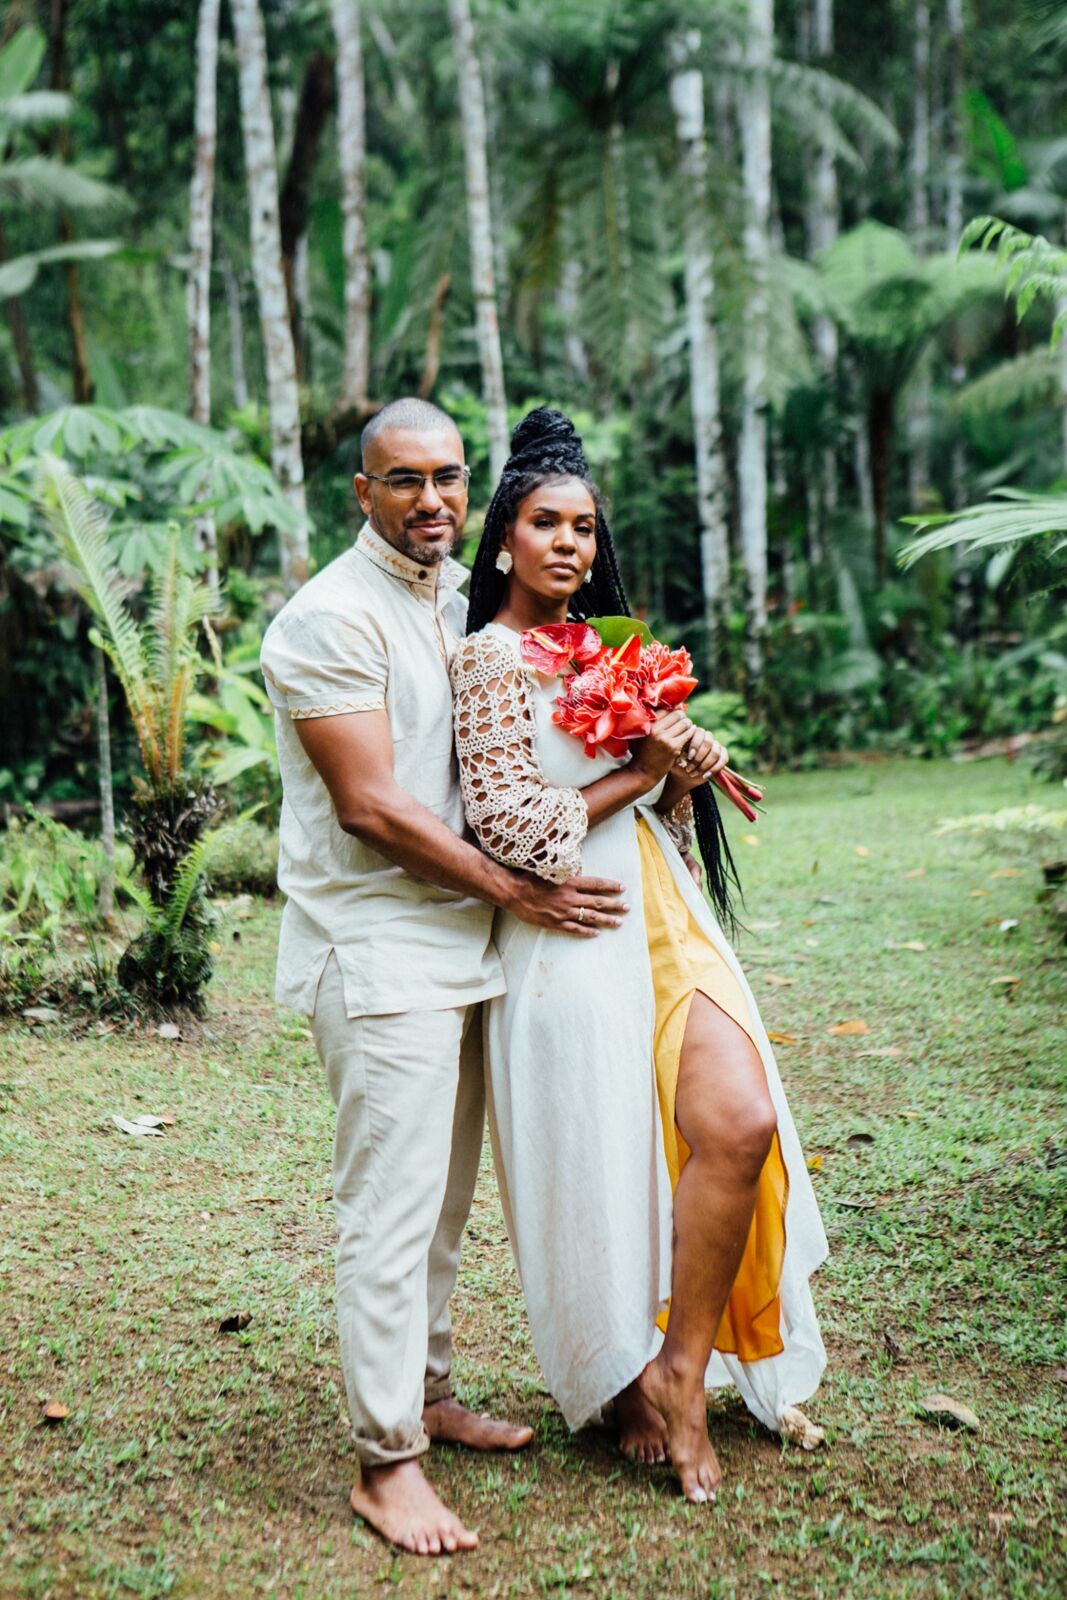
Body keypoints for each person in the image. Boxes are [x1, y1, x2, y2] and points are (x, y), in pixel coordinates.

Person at [259, 398, 632, 1556]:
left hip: (463, 942)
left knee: (440, 1207)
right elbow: (370, 807)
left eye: (448, 477)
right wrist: (516, 889)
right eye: (404, 479)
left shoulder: (458, 602)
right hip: (377, 950)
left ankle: (425, 1393)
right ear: (362, 492)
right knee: (388, 1210)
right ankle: (387, 1462)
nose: (432, 499)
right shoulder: (327, 618)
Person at [451, 407, 829, 1504]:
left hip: (663, 911)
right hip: (570, 931)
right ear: (504, 539)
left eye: (582, 527)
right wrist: (639, 770)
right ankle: (628, 1377)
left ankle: (680, 1365)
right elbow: (511, 827)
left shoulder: (607, 646)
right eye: (544, 523)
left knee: (739, 1122)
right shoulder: (485, 659)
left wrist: (680, 772)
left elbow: (647, 802)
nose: (567, 543)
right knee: (602, 1157)